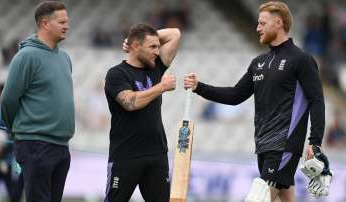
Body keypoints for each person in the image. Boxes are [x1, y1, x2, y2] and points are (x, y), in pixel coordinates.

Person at [184, 1, 325, 202]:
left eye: (262, 23)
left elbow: (317, 100)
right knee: (284, 196)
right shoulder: (258, 62)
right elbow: (235, 96)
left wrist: (315, 142)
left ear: (279, 23)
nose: (257, 28)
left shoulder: (301, 59)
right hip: (263, 145)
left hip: (284, 144)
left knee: (257, 199)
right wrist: (199, 87)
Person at [0, 1, 74, 202]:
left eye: (67, 21)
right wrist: (17, 131)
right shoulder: (26, 56)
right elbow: (8, 100)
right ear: (44, 23)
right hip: (35, 144)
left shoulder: (65, 58)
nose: (67, 25)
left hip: (61, 146)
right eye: (61, 22)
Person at [104, 24, 180, 202]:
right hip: (126, 156)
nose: (157, 51)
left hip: (156, 154)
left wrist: (138, 39)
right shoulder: (116, 74)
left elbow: (175, 34)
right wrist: (161, 87)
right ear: (137, 47)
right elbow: (131, 103)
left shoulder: (155, 67)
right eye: (152, 47)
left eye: (158, 46)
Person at [0, 83, 23, 202]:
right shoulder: (0, 109)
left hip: (7, 158)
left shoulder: (8, 110)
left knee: (13, 193)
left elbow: (9, 131)